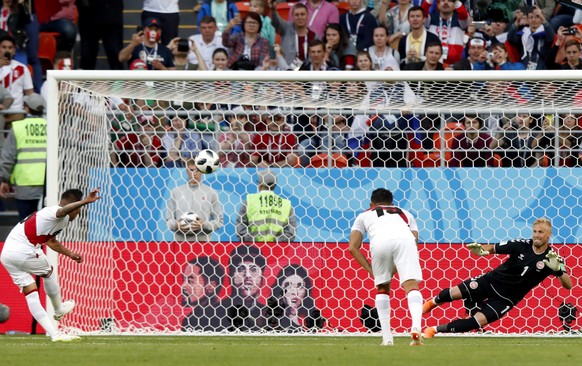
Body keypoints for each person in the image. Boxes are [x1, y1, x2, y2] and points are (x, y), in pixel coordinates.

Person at [423, 218, 573, 338]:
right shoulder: (520, 244)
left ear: (549, 234)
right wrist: (482, 251)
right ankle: (428, 306)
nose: (536, 235)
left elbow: (568, 285)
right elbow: (493, 248)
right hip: (490, 281)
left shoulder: (553, 258)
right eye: (534, 231)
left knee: (475, 322)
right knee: (450, 294)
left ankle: (433, 330)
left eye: (541, 232)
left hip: (506, 299)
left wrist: (559, 271)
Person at [0, 187, 102, 342]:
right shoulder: (54, 211)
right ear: (74, 206)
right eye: (78, 210)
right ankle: (59, 309)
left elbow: (51, 242)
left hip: (7, 255)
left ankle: (55, 335)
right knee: (48, 272)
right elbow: (62, 210)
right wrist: (85, 201)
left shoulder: (56, 220)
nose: (78, 214)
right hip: (23, 250)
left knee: (31, 294)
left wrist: (70, 254)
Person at [348, 188, 423, 346]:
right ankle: (416, 326)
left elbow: (352, 247)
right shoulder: (406, 213)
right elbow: (414, 239)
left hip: (380, 242)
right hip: (406, 241)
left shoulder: (365, 214)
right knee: (411, 285)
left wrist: (372, 271)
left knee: (382, 288)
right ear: (392, 203)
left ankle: (387, 338)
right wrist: (397, 266)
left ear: (371, 204)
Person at [0, 93, 46, 220]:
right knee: (46, 227)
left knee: (25, 226)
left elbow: (8, 158)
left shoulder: (18, 127)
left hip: (24, 185)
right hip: (48, 184)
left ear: (27, 108)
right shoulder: (51, 126)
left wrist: (4, 180)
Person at [166, 158, 224, 242]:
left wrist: (203, 225)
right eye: (192, 170)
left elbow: (219, 220)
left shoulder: (211, 192)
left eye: (198, 170)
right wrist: (176, 225)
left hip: (203, 242)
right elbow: (168, 218)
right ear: (187, 171)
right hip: (180, 241)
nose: (194, 173)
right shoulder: (176, 192)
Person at [236, 170, 296, 242]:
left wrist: (254, 243)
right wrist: (275, 244)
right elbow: (291, 232)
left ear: (259, 185)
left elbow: (241, 227)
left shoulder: (249, 201)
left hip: (253, 251)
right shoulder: (286, 204)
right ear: (275, 186)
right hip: (278, 251)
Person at [221, 244, 268, 331]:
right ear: (230, 276)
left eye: (253, 270)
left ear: (262, 278)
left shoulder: (269, 314)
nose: (248, 275)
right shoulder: (214, 312)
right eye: (241, 269)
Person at [181, 256, 227, 332]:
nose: (183, 286)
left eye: (190, 281)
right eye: (184, 280)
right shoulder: (189, 320)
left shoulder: (226, 317)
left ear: (211, 286)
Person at [269, 264, 320, 331]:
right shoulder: (270, 319)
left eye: (300, 286)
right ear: (279, 289)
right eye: (288, 286)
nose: (295, 293)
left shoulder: (312, 318)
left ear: (306, 291)